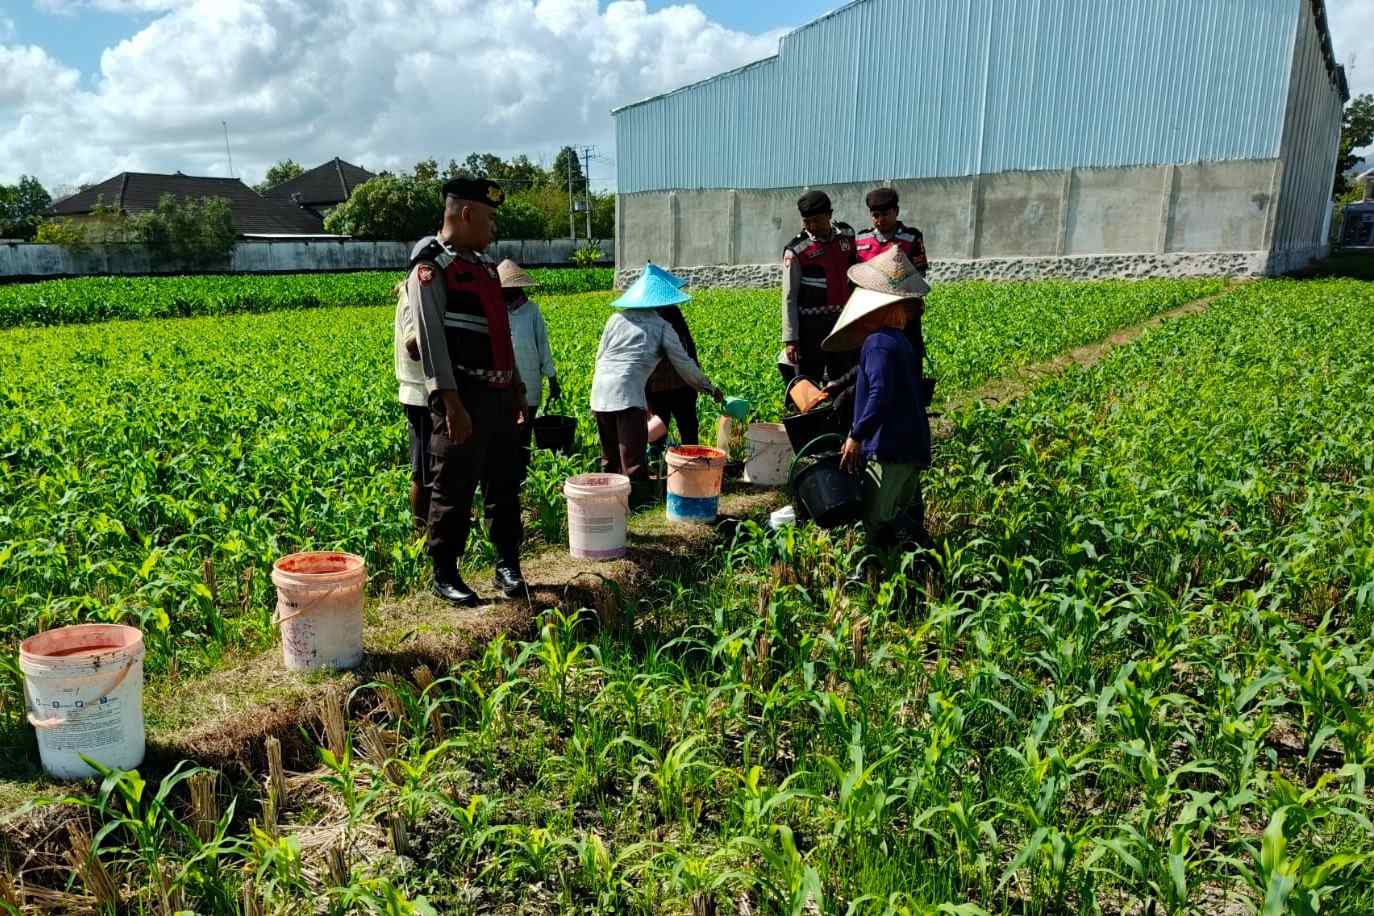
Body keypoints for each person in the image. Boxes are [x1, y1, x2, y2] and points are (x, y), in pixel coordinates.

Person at [410, 176, 530, 606]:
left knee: (505, 483)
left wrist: (515, 386)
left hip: (498, 396)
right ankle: (444, 571)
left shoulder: (483, 268)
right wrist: (451, 402)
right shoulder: (431, 268)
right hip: (463, 397)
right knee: (454, 488)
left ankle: (507, 564)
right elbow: (430, 341)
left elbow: (501, 334)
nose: (493, 228)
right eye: (490, 217)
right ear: (466, 214)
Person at [822, 246, 933, 548]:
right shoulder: (898, 343)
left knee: (877, 520)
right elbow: (869, 375)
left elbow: (879, 393)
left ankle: (875, 573)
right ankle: (916, 564)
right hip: (913, 446)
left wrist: (856, 436)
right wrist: (838, 385)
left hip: (889, 448)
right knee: (897, 514)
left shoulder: (876, 343)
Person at [590, 263, 722, 503]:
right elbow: (684, 362)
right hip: (628, 395)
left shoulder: (615, 319)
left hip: (600, 393)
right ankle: (637, 508)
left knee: (609, 459)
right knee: (632, 460)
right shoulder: (662, 326)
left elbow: (600, 357)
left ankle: (609, 509)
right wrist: (708, 387)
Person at [825, 187, 932, 412]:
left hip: (902, 313)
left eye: (885, 214)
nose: (880, 220)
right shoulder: (862, 239)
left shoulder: (911, 237)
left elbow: (919, 275)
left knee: (908, 359)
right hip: (870, 314)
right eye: (875, 215)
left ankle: (909, 408)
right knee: (870, 362)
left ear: (896, 211)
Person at [781, 190, 857, 385]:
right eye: (807, 222)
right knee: (810, 377)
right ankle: (814, 415)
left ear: (829, 215)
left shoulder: (847, 236)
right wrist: (791, 339)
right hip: (811, 327)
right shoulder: (796, 250)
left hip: (843, 321)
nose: (812, 227)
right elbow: (789, 297)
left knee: (844, 374)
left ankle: (843, 414)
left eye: (817, 220)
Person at [499, 259, 560, 486]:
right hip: (504, 382)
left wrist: (552, 379)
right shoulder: (495, 312)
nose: (509, 293)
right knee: (506, 430)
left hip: (530, 380)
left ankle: (522, 474)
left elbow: (543, 345)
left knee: (525, 429)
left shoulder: (532, 311)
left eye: (512, 289)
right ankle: (508, 474)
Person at [393, 279, 432, 533]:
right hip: (419, 394)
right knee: (423, 470)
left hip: (432, 392)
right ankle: (420, 533)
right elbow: (413, 346)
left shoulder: (422, 294)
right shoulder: (410, 296)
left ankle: (434, 528)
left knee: (435, 468)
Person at [645, 303, 701, 447]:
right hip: (678, 385)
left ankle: (658, 465)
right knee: (687, 429)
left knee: (661, 430)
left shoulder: (647, 316)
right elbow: (689, 351)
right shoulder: (672, 313)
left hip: (662, 387)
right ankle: (690, 462)